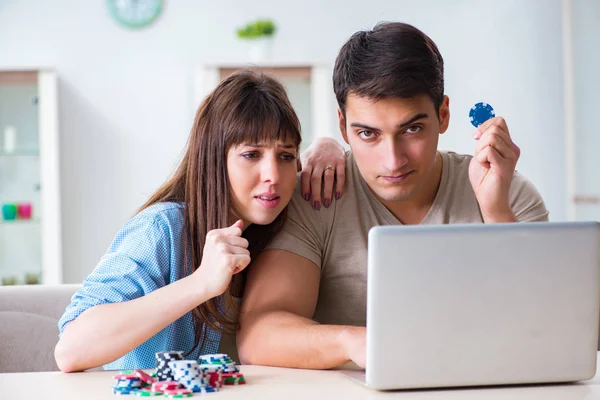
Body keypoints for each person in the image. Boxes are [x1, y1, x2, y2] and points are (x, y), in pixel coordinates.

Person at [237, 22, 549, 369]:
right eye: (368, 133)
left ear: (443, 115)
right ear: (343, 127)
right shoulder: (315, 195)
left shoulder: (510, 194)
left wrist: (495, 212)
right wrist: (355, 341)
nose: (393, 160)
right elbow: (259, 334)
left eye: (412, 129)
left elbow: (545, 329)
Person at [54, 70, 346, 372]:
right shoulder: (162, 229)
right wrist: (201, 283)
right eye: (251, 155)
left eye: (285, 156)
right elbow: (71, 349)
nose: (273, 175)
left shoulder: (280, 229)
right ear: (214, 158)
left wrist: (330, 146)